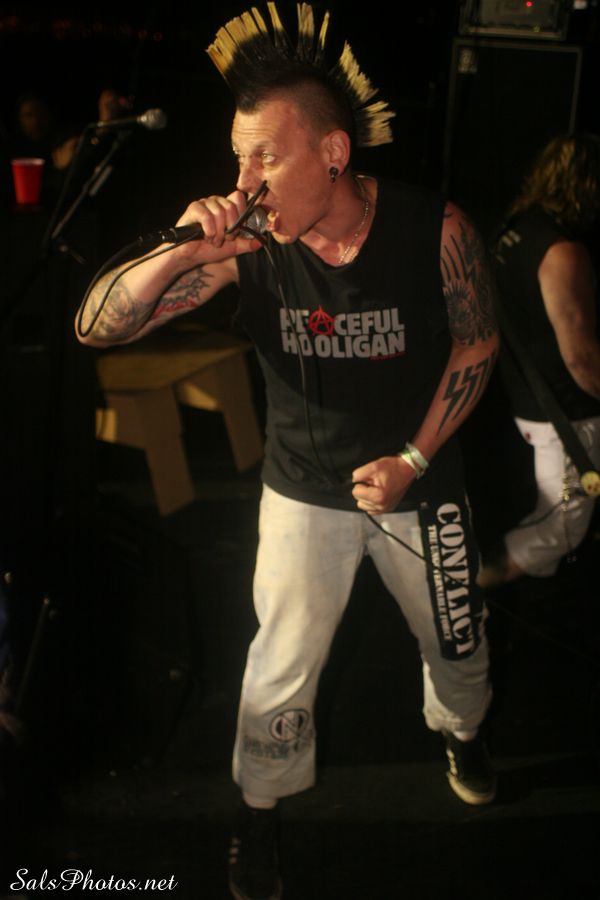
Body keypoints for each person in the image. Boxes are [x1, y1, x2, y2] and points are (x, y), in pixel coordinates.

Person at [75, 6, 499, 899]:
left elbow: (477, 342)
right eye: (238, 159)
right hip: (303, 489)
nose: (245, 181)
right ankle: (259, 811)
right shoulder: (249, 250)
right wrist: (181, 251)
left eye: (264, 157)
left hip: (421, 483)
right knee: (279, 663)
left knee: (456, 644)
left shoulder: (434, 229)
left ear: (333, 153)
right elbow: (96, 327)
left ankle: (462, 732)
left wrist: (415, 459)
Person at [478, 134, 600, 590]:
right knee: (560, 527)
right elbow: (582, 358)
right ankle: (467, 591)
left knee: (552, 518)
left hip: (530, 404)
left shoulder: (512, 231)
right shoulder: (561, 250)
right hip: (567, 419)